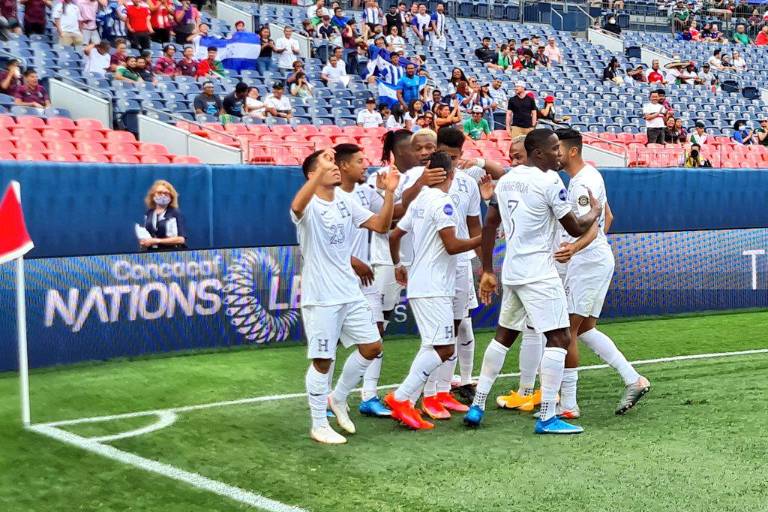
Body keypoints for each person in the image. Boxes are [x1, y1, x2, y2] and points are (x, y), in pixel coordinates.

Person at [464, 128, 602, 434]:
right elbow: (577, 228)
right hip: (539, 272)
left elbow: (489, 226)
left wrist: (487, 269)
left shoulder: (508, 180)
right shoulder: (550, 181)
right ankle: (548, 416)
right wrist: (594, 210)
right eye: (554, 149)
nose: (558, 154)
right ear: (538, 152)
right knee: (560, 338)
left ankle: (477, 405)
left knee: (504, 335)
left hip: (512, 271)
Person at [291, 149, 398, 444]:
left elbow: (381, 226)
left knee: (372, 346)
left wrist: (389, 193)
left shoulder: (344, 200)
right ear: (313, 175)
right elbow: (297, 206)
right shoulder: (309, 204)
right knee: (323, 359)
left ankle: (337, 398)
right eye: (327, 165)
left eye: (335, 164)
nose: (335, 167)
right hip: (321, 297)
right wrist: (318, 171)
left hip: (349, 293)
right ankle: (318, 424)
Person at [552, 128, 651, 417]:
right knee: (584, 329)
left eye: (557, 149)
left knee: (567, 332)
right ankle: (634, 379)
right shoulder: (590, 177)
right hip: (593, 260)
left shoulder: (582, 182)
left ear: (572, 151)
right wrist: (592, 247)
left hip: (587, 263)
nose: (554, 154)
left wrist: (576, 249)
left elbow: (594, 225)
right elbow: (608, 216)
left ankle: (568, 404)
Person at [384, 148, 482, 430]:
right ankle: (402, 398)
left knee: (432, 344)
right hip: (435, 286)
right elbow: (452, 245)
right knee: (442, 347)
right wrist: (481, 239)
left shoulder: (419, 200)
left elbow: (394, 235)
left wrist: (399, 264)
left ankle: (408, 401)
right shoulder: (442, 201)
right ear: (449, 174)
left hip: (421, 282)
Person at [332, 144, 392, 418]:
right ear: (344, 165)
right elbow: (320, 245)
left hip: (365, 282)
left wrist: (387, 192)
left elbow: (385, 223)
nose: (365, 165)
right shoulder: (326, 198)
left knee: (375, 335)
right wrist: (352, 260)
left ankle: (368, 396)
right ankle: (323, 400)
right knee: (329, 342)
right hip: (335, 280)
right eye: (359, 161)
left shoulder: (367, 192)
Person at [140, 180, 187, 252]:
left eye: (166, 193)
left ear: (171, 197)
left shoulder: (175, 213)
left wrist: (157, 241)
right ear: (153, 195)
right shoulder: (148, 213)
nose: (163, 195)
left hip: (172, 252)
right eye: (159, 193)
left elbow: (181, 239)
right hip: (151, 252)